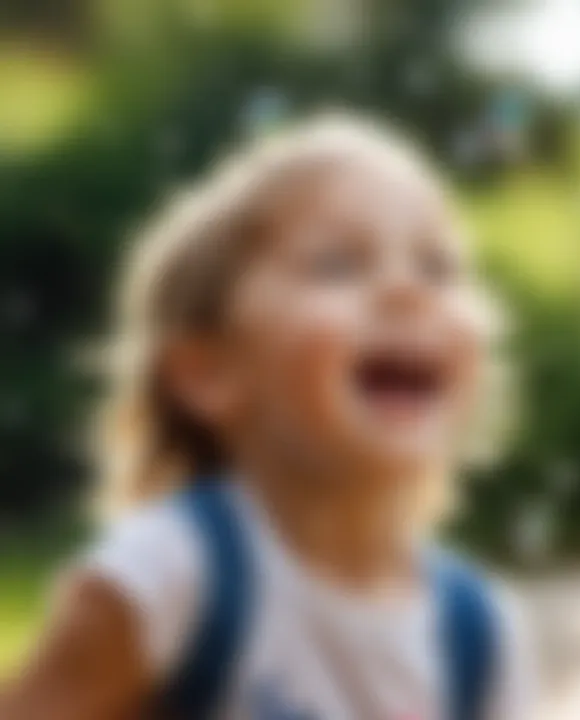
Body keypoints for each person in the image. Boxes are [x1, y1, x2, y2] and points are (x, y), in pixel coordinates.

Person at [0, 114, 533, 720]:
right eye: (337, 264)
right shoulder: (170, 575)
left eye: (439, 267)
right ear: (208, 375)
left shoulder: (480, 635)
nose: (406, 289)